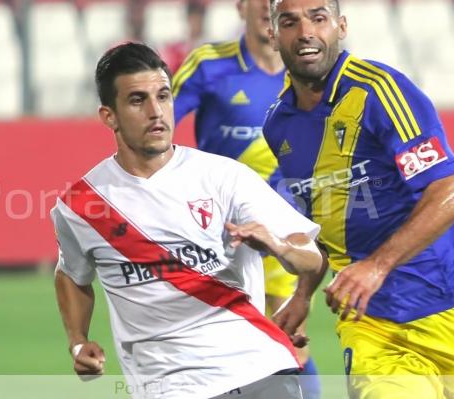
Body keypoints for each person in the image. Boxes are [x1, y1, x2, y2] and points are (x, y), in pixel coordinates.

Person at [51, 42, 325, 399]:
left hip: (260, 371)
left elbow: (311, 255)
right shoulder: (83, 206)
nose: (156, 112)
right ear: (109, 116)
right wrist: (77, 341)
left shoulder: (224, 177)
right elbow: (71, 274)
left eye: (163, 96)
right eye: (137, 100)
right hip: (169, 387)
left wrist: (278, 245)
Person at [264, 0, 454, 398]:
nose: (305, 31)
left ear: (340, 26)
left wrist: (377, 266)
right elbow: (324, 223)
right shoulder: (278, 125)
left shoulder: (380, 91)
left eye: (318, 17)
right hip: (371, 325)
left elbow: (452, 190)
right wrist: (303, 294)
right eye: (290, 22)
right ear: (274, 35)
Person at [172, 1, 321, 397]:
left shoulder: (310, 70)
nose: (270, 8)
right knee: (223, 347)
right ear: (241, 6)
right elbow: (155, 123)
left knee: (292, 343)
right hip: (220, 234)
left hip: (283, 225)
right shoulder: (208, 64)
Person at [159, 0, 207, 74]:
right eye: (193, 18)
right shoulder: (177, 47)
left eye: (199, 18)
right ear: (188, 19)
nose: (196, 22)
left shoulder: (209, 46)